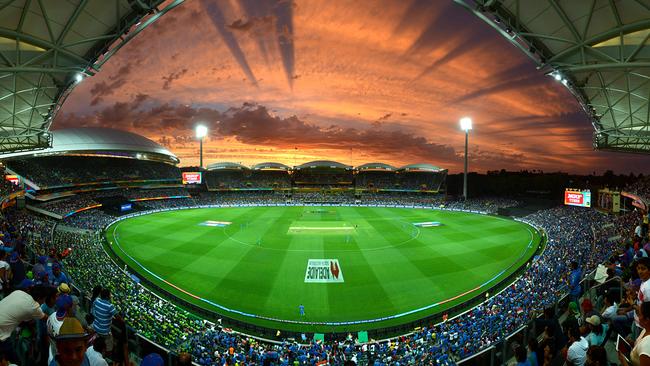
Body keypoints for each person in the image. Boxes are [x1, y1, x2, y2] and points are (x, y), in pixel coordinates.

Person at [619, 301, 650, 366]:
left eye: (639, 314)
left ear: (647, 320)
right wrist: (632, 344)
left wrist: (623, 362)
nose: (637, 317)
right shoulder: (646, 329)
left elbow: (644, 348)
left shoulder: (647, 347)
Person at [92, 288, 117, 354]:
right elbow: (118, 317)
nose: (110, 295)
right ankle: (106, 354)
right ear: (107, 296)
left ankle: (97, 349)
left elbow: (93, 310)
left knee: (98, 342)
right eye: (110, 295)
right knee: (109, 346)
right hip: (104, 332)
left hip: (95, 327)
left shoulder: (96, 301)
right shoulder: (110, 306)